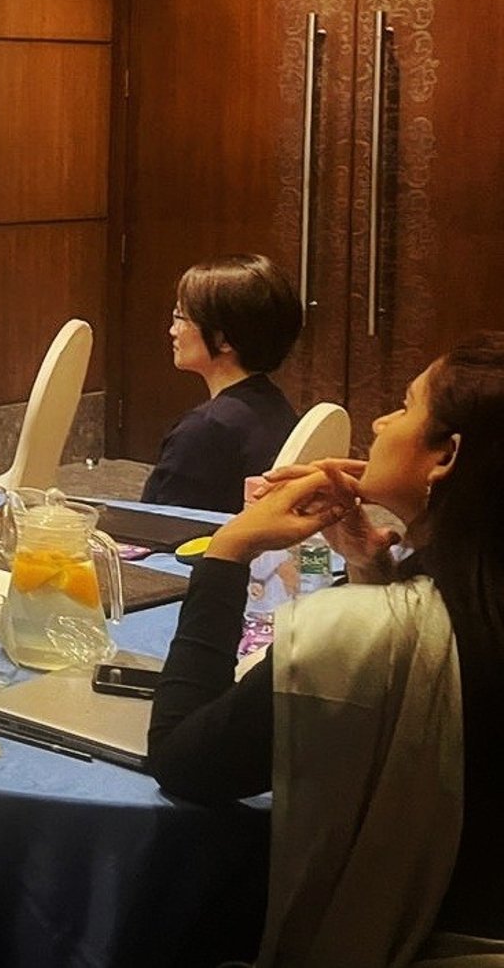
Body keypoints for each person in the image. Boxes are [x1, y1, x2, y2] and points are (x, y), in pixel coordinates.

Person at [146, 332, 504, 965]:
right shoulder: (478, 606)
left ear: (445, 456)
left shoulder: (359, 634)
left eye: (405, 406)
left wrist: (229, 551)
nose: (381, 422)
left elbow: (184, 762)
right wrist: (370, 564)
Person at [140, 254, 303, 512]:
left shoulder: (205, 431)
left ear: (223, 340)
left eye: (181, 317)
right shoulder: (274, 404)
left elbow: (158, 526)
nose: (172, 331)